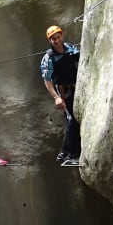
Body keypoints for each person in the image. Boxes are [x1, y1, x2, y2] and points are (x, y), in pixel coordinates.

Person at [40, 25, 81, 162]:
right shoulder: (48, 57)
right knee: (71, 120)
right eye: (53, 39)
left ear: (62, 36)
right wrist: (56, 98)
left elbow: (78, 55)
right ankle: (72, 156)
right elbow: (47, 80)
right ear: (50, 41)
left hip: (75, 86)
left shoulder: (69, 48)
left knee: (75, 119)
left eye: (58, 37)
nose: (57, 41)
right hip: (63, 90)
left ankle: (65, 152)